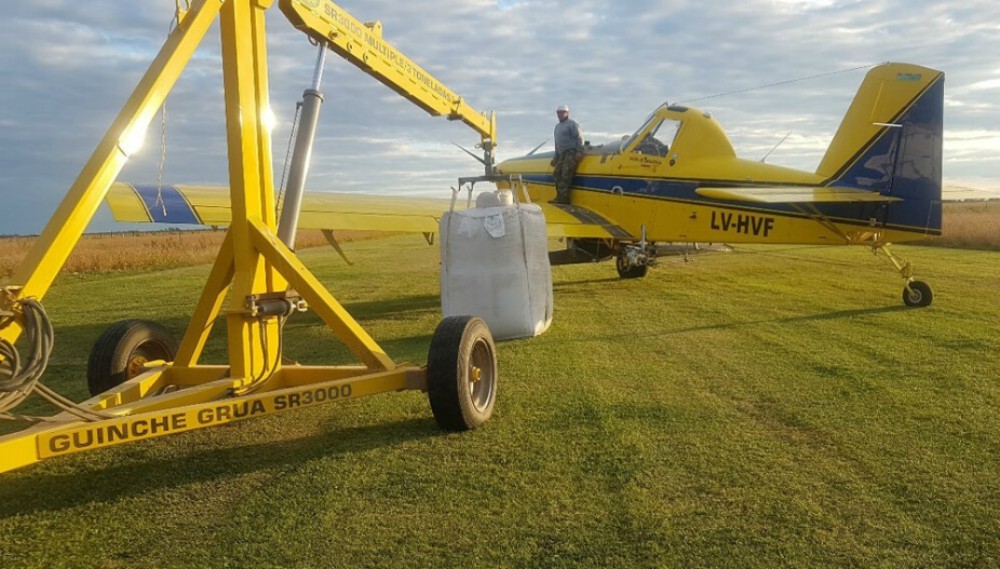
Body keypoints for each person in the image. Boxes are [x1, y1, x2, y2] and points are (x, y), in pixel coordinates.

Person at [550, 104, 583, 205]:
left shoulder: (572, 124)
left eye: (562, 112)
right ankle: (559, 197)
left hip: (570, 152)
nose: (560, 114)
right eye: (558, 112)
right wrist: (555, 158)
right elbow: (557, 144)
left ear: (567, 113)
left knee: (565, 175)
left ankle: (563, 199)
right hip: (561, 154)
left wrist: (579, 151)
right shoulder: (557, 127)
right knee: (556, 173)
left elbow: (580, 138)